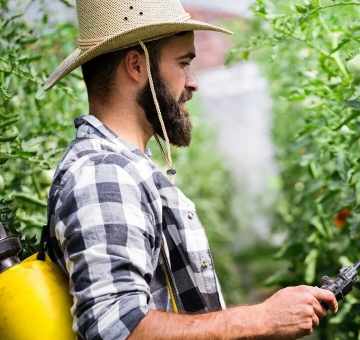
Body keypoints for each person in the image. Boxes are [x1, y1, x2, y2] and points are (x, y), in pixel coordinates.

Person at [42, 0, 337, 339]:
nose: (193, 83)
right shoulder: (103, 174)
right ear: (136, 66)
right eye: (183, 63)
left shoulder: (127, 170)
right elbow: (115, 328)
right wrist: (261, 319)